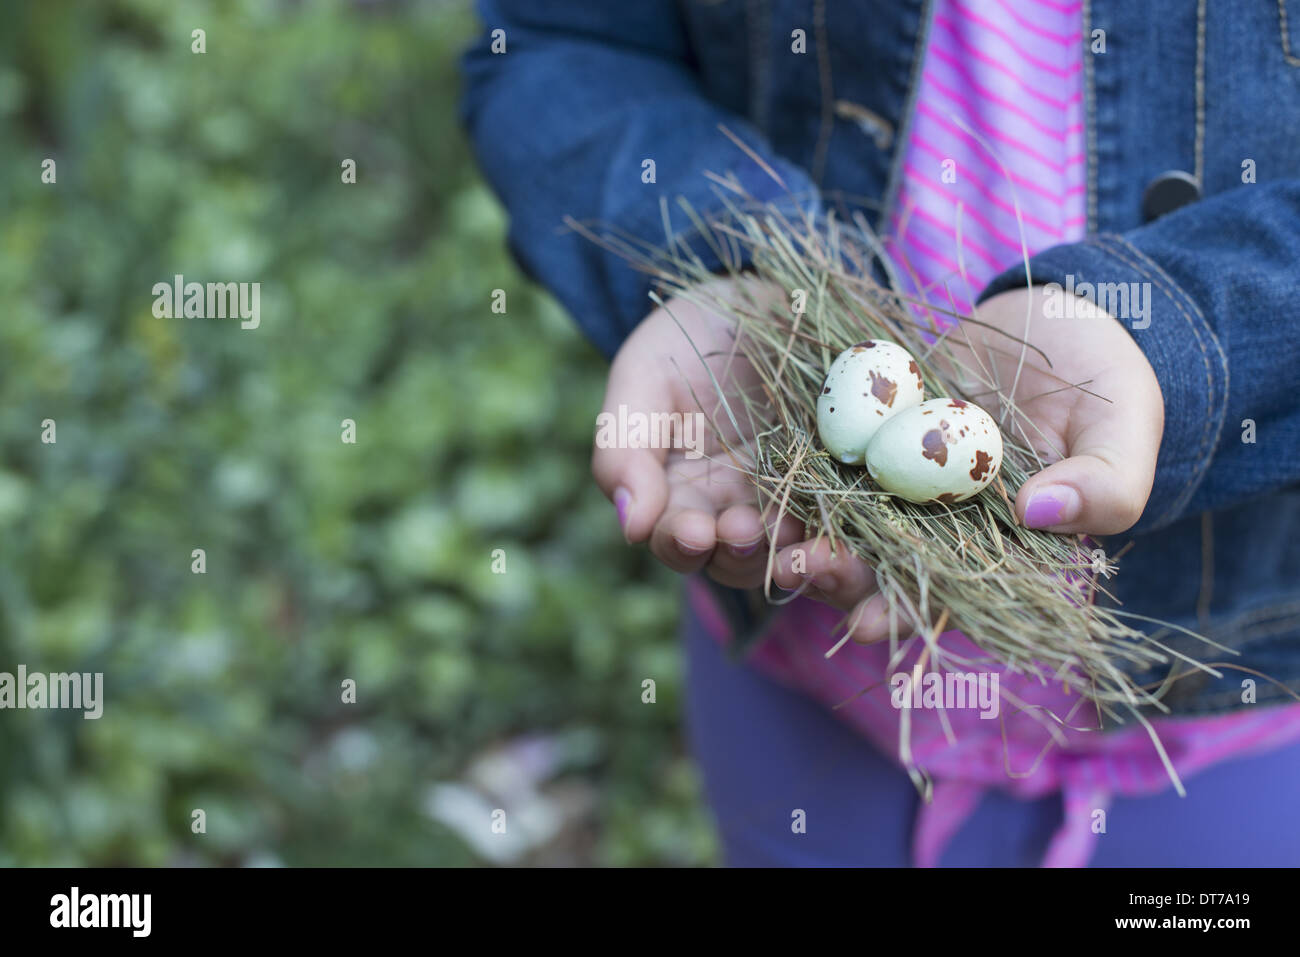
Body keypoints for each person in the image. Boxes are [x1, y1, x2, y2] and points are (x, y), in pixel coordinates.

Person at [461, 0, 1300, 865]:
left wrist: (1180, 335)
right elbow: (564, 41)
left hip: (1236, 709)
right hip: (806, 656)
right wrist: (728, 254)